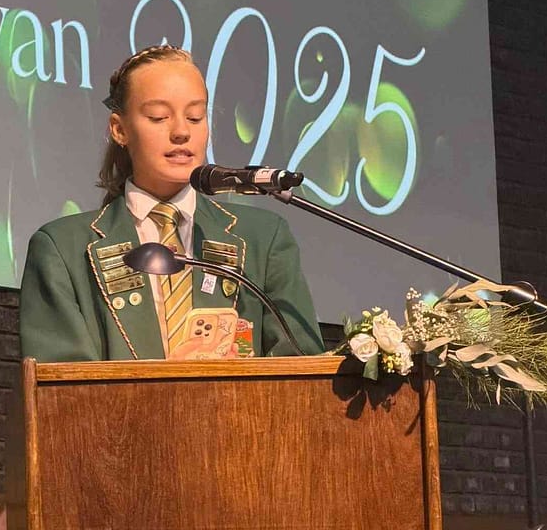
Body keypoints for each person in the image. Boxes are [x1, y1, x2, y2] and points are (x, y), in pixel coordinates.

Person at [19, 44, 323, 361]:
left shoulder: (263, 238)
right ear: (119, 129)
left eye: (195, 117)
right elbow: (62, 384)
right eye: (159, 117)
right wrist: (174, 384)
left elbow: (302, 369)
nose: (181, 132)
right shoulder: (62, 249)